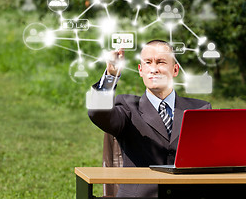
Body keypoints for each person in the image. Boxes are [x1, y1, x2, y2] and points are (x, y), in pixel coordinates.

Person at [88, 40, 212, 198]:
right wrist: (111, 76)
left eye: (161, 62)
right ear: (140, 70)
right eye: (148, 63)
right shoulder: (127, 106)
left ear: (175, 70)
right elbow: (98, 113)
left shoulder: (200, 109)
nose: (154, 69)